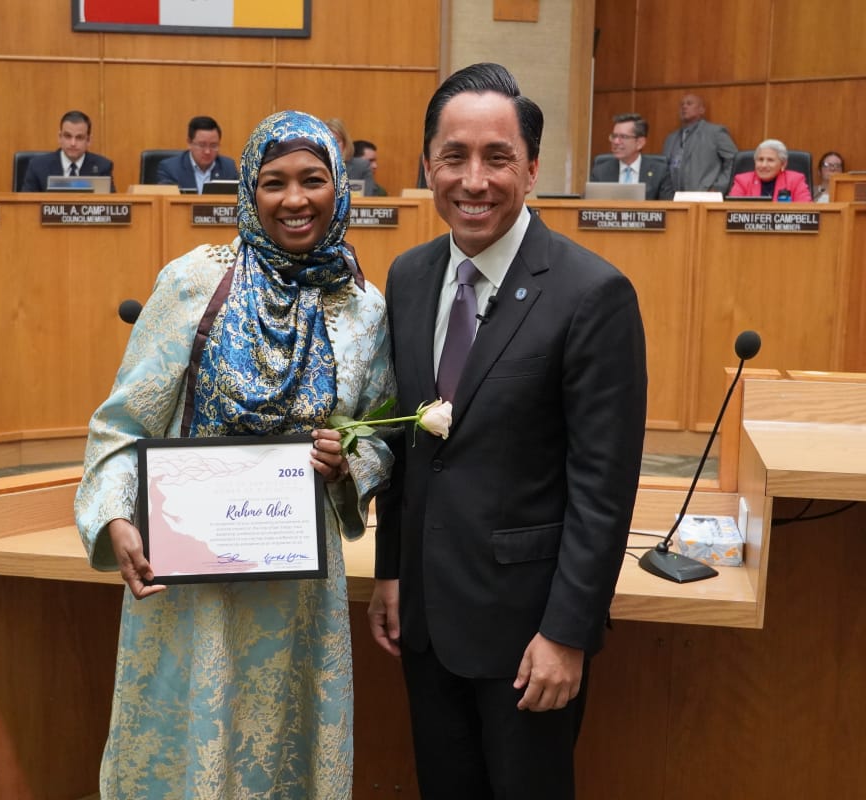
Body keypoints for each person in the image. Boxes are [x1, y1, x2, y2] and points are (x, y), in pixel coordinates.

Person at [74, 110, 394, 799]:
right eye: (274, 182)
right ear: (249, 190)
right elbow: (122, 422)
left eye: (313, 179)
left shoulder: (364, 306)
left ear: (340, 187)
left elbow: (379, 434)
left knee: (283, 754)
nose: (294, 199)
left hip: (297, 590)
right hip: (192, 586)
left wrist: (351, 462)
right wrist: (115, 519)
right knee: (190, 755)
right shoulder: (193, 282)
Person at [368, 62, 647, 799]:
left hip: (529, 637)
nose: (474, 180)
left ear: (531, 167)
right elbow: (404, 447)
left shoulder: (593, 294)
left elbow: (604, 489)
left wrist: (567, 634)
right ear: (427, 165)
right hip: (426, 621)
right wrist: (391, 571)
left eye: (497, 158)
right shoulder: (408, 277)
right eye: (454, 157)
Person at [19, 110, 115, 191]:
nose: (73, 143)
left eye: (79, 137)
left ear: (88, 140)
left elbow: (111, 205)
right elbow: (27, 205)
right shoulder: (37, 166)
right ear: (60, 137)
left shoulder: (102, 167)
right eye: (68, 136)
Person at [661, 93, 737, 193]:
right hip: (674, 197)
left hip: (704, 196)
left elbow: (733, 161)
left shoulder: (715, 132)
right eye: (682, 104)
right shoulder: (671, 138)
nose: (684, 107)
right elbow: (663, 168)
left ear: (701, 110)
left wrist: (718, 188)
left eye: (689, 103)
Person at [589, 112, 674, 200]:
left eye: (623, 137)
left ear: (640, 143)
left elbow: (668, 205)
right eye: (614, 136)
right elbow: (588, 204)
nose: (616, 142)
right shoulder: (600, 172)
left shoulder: (659, 172)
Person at [154, 115, 238, 192]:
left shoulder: (228, 167)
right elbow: (167, 200)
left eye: (213, 145)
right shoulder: (170, 169)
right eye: (202, 145)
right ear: (189, 143)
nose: (207, 151)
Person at [728, 138, 812, 201]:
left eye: (770, 160)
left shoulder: (795, 180)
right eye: (760, 159)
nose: (764, 165)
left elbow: (806, 210)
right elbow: (732, 210)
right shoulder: (742, 181)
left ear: (783, 164)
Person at [324, 117, 379, 196]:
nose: (332, 145)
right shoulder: (313, 166)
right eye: (327, 141)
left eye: (336, 141)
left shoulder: (361, 166)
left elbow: (367, 198)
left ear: (345, 143)